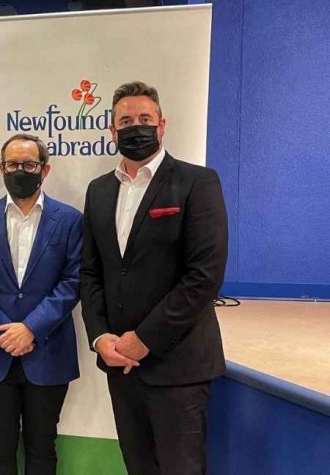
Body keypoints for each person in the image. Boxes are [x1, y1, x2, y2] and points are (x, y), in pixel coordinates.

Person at [81, 81, 228, 475]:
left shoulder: (198, 182)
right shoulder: (98, 191)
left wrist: (145, 340)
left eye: (145, 119)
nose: (136, 127)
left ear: (162, 126)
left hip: (178, 367)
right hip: (120, 367)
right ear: (112, 132)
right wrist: (100, 337)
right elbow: (91, 272)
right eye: (125, 121)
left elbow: (205, 276)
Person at [0, 133, 83, 475]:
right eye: (13, 164)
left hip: (47, 351)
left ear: (45, 169)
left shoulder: (70, 220)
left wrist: (31, 328)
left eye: (29, 164)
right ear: (1, 168)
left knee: (42, 449)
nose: (20, 171)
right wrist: (4, 330)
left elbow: (73, 281)